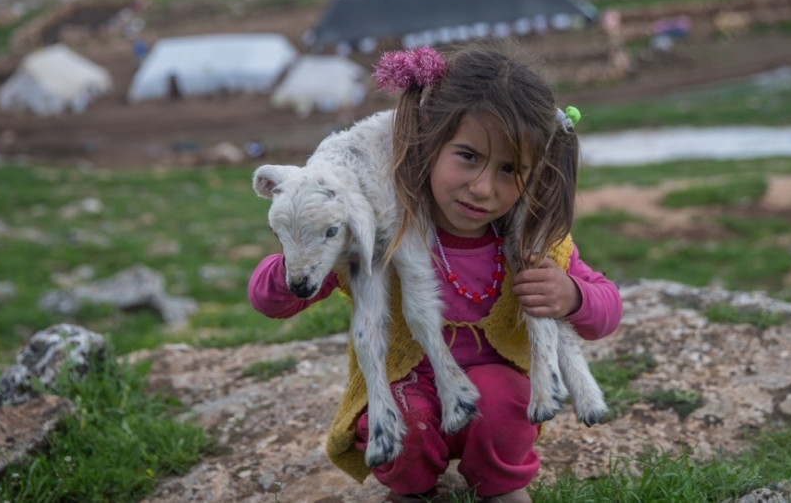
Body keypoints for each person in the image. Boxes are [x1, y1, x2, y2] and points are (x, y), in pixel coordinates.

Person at [248, 42, 622, 503]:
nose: (482, 187)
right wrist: (298, 257)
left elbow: (607, 308)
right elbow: (273, 302)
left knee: (503, 402)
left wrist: (572, 296)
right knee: (400, 424)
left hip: (493, 400)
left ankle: (501, 486)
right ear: (427, 142)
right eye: (467, 156)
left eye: (510, 169)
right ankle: (412, 491)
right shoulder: (382, 230)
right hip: (412, 387)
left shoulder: (534, 243)